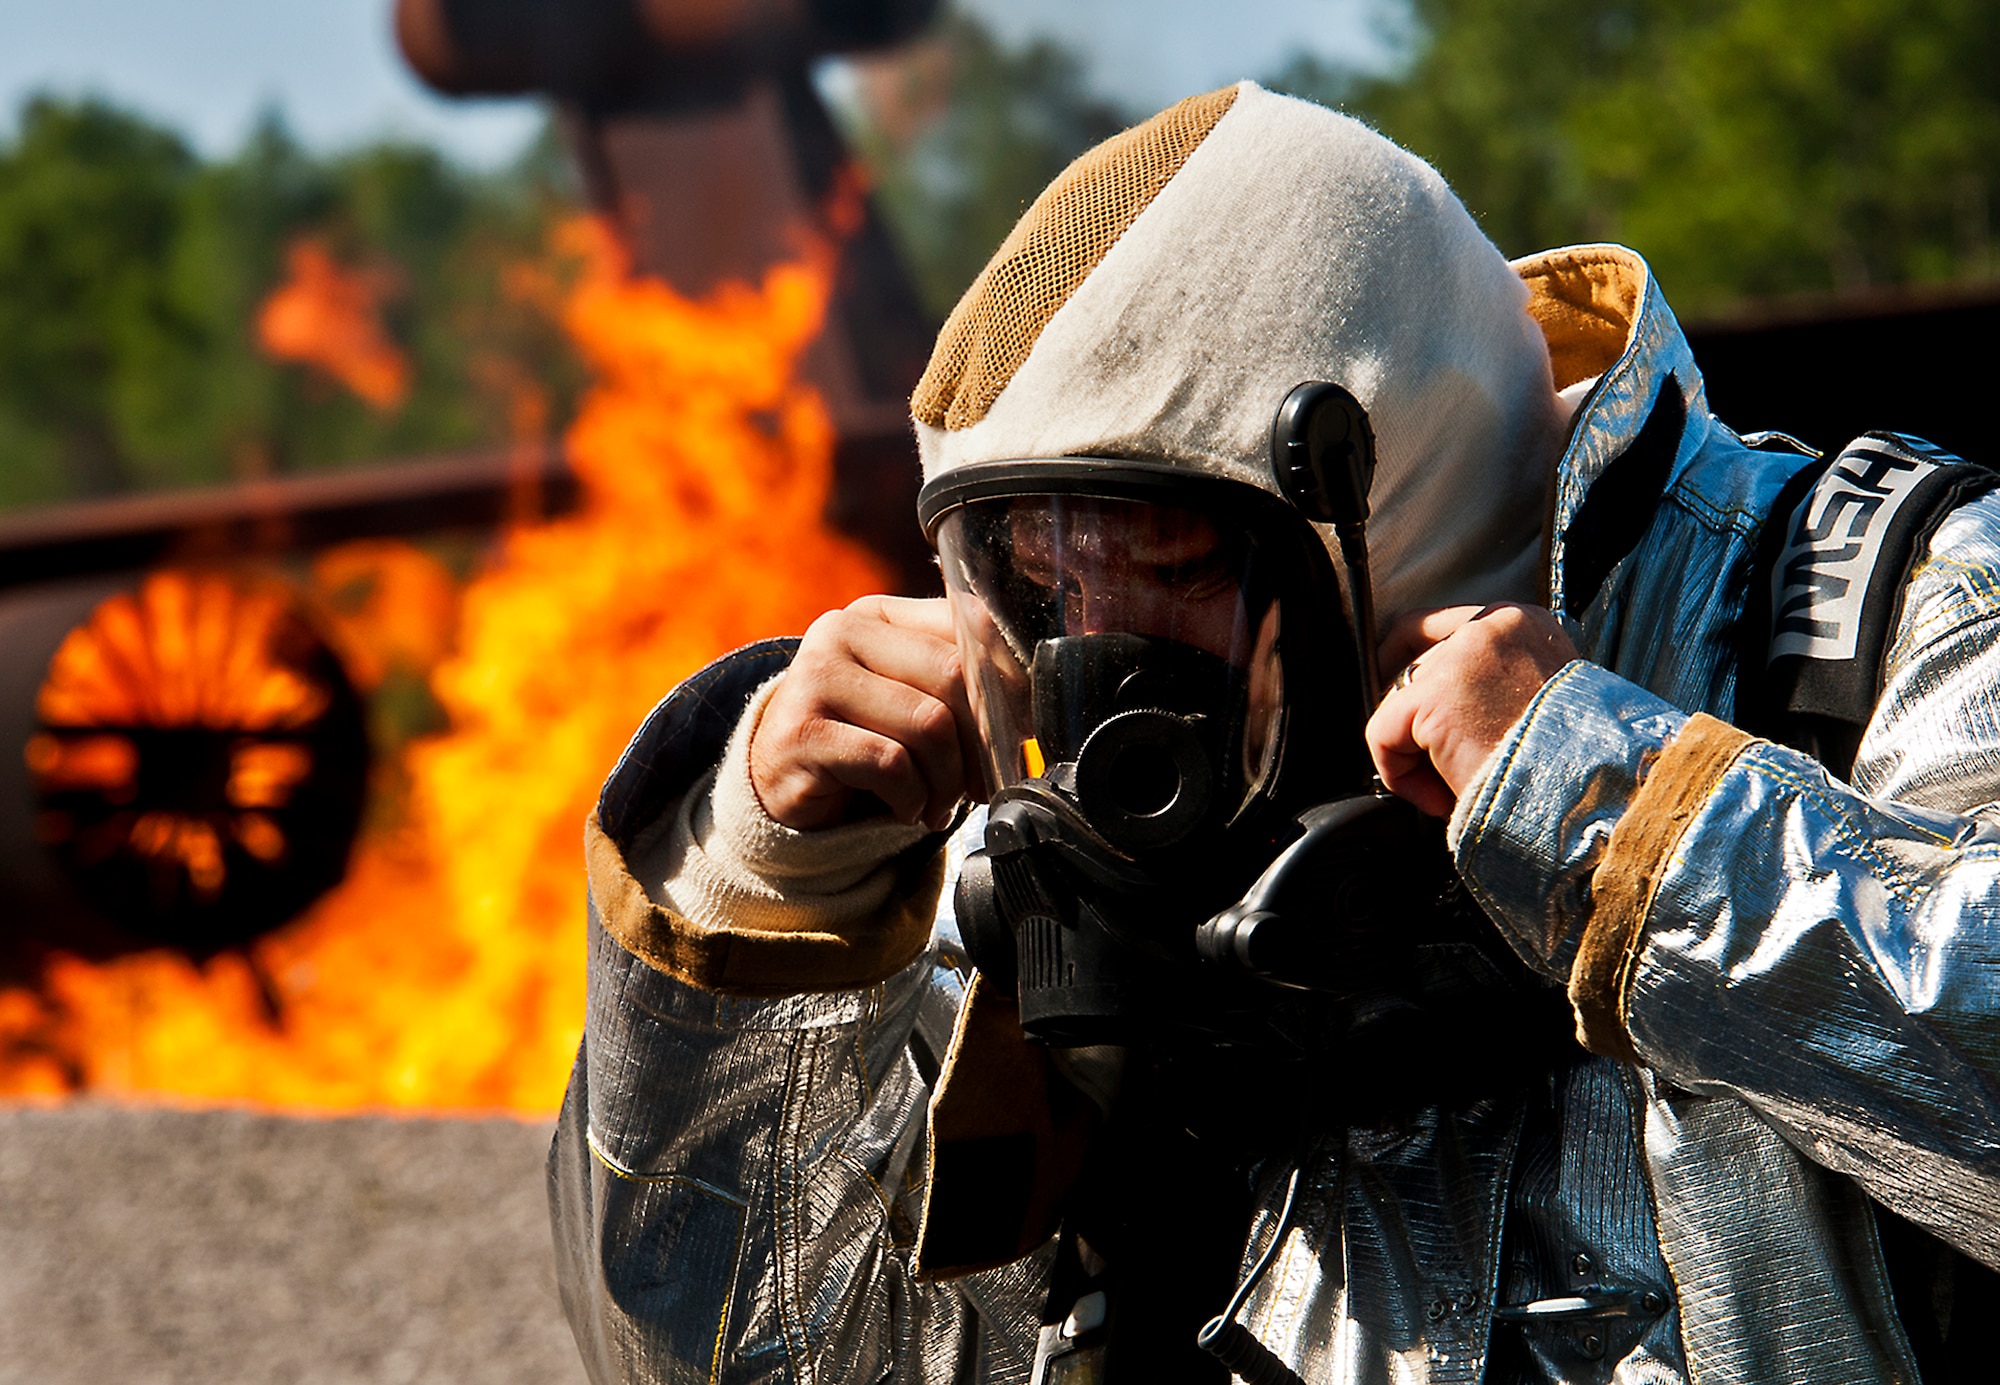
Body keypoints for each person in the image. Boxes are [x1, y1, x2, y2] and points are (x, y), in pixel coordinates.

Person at [549, 81, 2000, 1384]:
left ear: (1405, 498)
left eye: (1172, 564)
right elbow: (734, 1360)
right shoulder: (1078, 878)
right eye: (1041, 585)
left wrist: (1617, 818)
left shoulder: (1888, 622)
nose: (1102, 681)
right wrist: (755, 897)